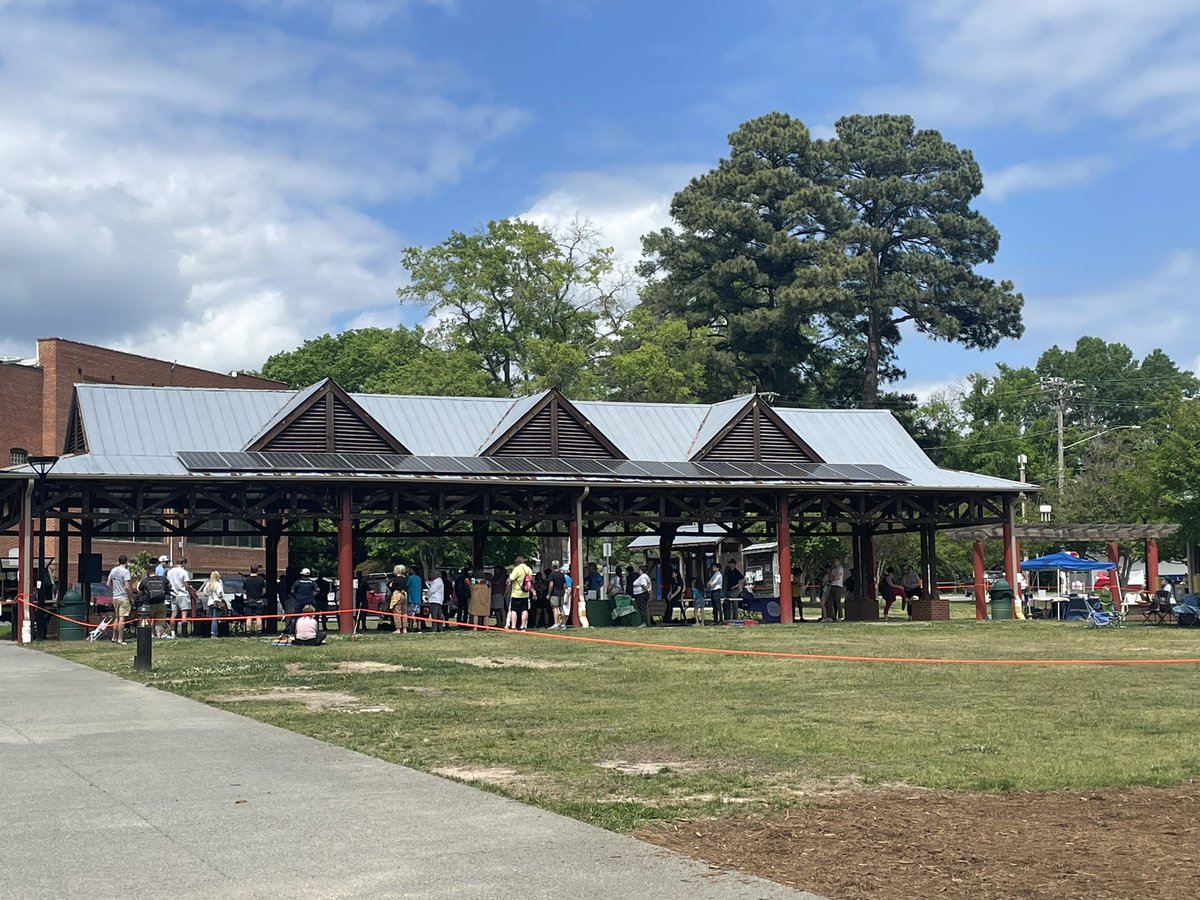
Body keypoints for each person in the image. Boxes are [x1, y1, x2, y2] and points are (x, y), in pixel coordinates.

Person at [137, 564, 171, 638]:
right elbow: (170, 586)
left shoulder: (145, 581)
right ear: (155, 570)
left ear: (148, 572)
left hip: (148, 604)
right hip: (160, 603)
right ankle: (159, 636)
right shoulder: (163, 579)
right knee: (160, 621)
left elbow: (140, 591)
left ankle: (149, 635)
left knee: (146, 620)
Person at [106, 554, 132, 645]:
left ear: (118, 561)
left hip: (115, 597)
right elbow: (127, 586)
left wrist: (115, 588)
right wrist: (131, 597)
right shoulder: (125, 572)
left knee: (116, 618)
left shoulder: (113, 570)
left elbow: (108, 583)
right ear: (126, 562)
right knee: (122, 618)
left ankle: (114, 637)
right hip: (123, 597)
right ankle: (120, 639)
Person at [507, 555, 533, 631]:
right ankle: (523, 626)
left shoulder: (517, 569)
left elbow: (511, 579)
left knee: (514, 610)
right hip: (525, 593)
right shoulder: (528, 569)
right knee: (524, 610)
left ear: (517, 562)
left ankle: (513, 626)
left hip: (516, 593)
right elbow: (530, 580)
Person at [166, 557, 190, 638]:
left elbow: (168, 583)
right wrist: (188, 589)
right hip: (183, 594)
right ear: (183, 563)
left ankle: (173, 633)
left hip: (174, 594)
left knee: (173, 614)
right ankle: (184, 633)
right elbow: (186, 584)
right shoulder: (184, 572)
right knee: (184, 614)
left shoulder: (170, 572)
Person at [289, 568, 317, 634]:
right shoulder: (311, 582)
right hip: (310, 601)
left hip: (299, 601)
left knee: (296, 616)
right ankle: (313, 630)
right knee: (312, 616)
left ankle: (292, 632)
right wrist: (312, 596)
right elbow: (317, 590)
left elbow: (292, 591)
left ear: (301, 574)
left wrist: (296, 596)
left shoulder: (298, 582)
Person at [199, 571, 226, 637]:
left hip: (210, 602)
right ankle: (214, 632)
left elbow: (205, 593)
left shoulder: (208, 584)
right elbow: (220, 594)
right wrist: (221, 597)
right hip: (217, 602)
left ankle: (214, 631)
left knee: (213, 617)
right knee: (215, 618)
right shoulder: (218, 584)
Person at [242, 565, 266, 634]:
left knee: (249, 617)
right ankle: (259, 631)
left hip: (249, 600)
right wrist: (260, 595)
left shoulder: (247, 580)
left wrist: (248, 594)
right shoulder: (261, 580)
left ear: (250, 569)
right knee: (258, 617)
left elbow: (244, 590)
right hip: (258, 600)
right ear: (257, 570)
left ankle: (248, 631)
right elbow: (264, 590)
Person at [387, 565, 408, 633]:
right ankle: (405, 628)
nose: (393, 571)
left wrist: (390, 586)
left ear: (397, 571)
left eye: (394, 570)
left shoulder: (395, 579)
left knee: (397, 612)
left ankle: (398, 628)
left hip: (397, 595)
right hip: (404, 595)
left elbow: (392, 588)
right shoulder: (405, 579)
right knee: (404, 612)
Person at [723, 557, 744, 622]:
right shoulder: (727, 571)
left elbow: (743, 579)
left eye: (731, 563)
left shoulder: (736, 572)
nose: (730, 565)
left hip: (734, 590)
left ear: (734, 564)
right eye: (729, 563)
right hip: (727, 590)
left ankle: (735, 618)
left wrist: (736, 586)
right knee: (726, 604)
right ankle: (727, 618)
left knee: (734, 604)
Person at [548, 561, 567, 629]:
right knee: (561, 608)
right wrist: (563, 592)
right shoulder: (562, 575)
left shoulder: (552, 574)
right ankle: (563, 624)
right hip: (561, 593)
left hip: (554, 594)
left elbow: (551, 585)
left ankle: (556, 623)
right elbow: (564, 585)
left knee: (555, 608)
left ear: (552, 566)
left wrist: (549, 594)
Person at [406, 567, 424, 632]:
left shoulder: (410, 578)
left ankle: (410, 627)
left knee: (410, 614)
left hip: (411, 598)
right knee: (418, 614)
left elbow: (406, 585)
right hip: (418, 598)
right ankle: (419, 627)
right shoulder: (419, 578)